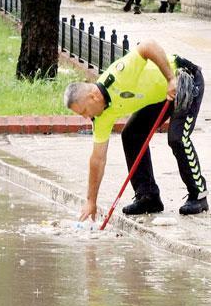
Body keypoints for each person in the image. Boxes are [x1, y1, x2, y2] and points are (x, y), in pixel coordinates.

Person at [64, 39, 208, 219]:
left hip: (183, 80)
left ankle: (199, 195)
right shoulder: (101, 116)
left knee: (177, 138)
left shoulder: (119, 75)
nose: (86, 117)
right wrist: (91, 201)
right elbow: (97, 159)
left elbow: (148, 45)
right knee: (132, 135)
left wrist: (171, 79)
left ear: (93, 97)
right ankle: (148, 197)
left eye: (84, 111)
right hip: (159, 96)